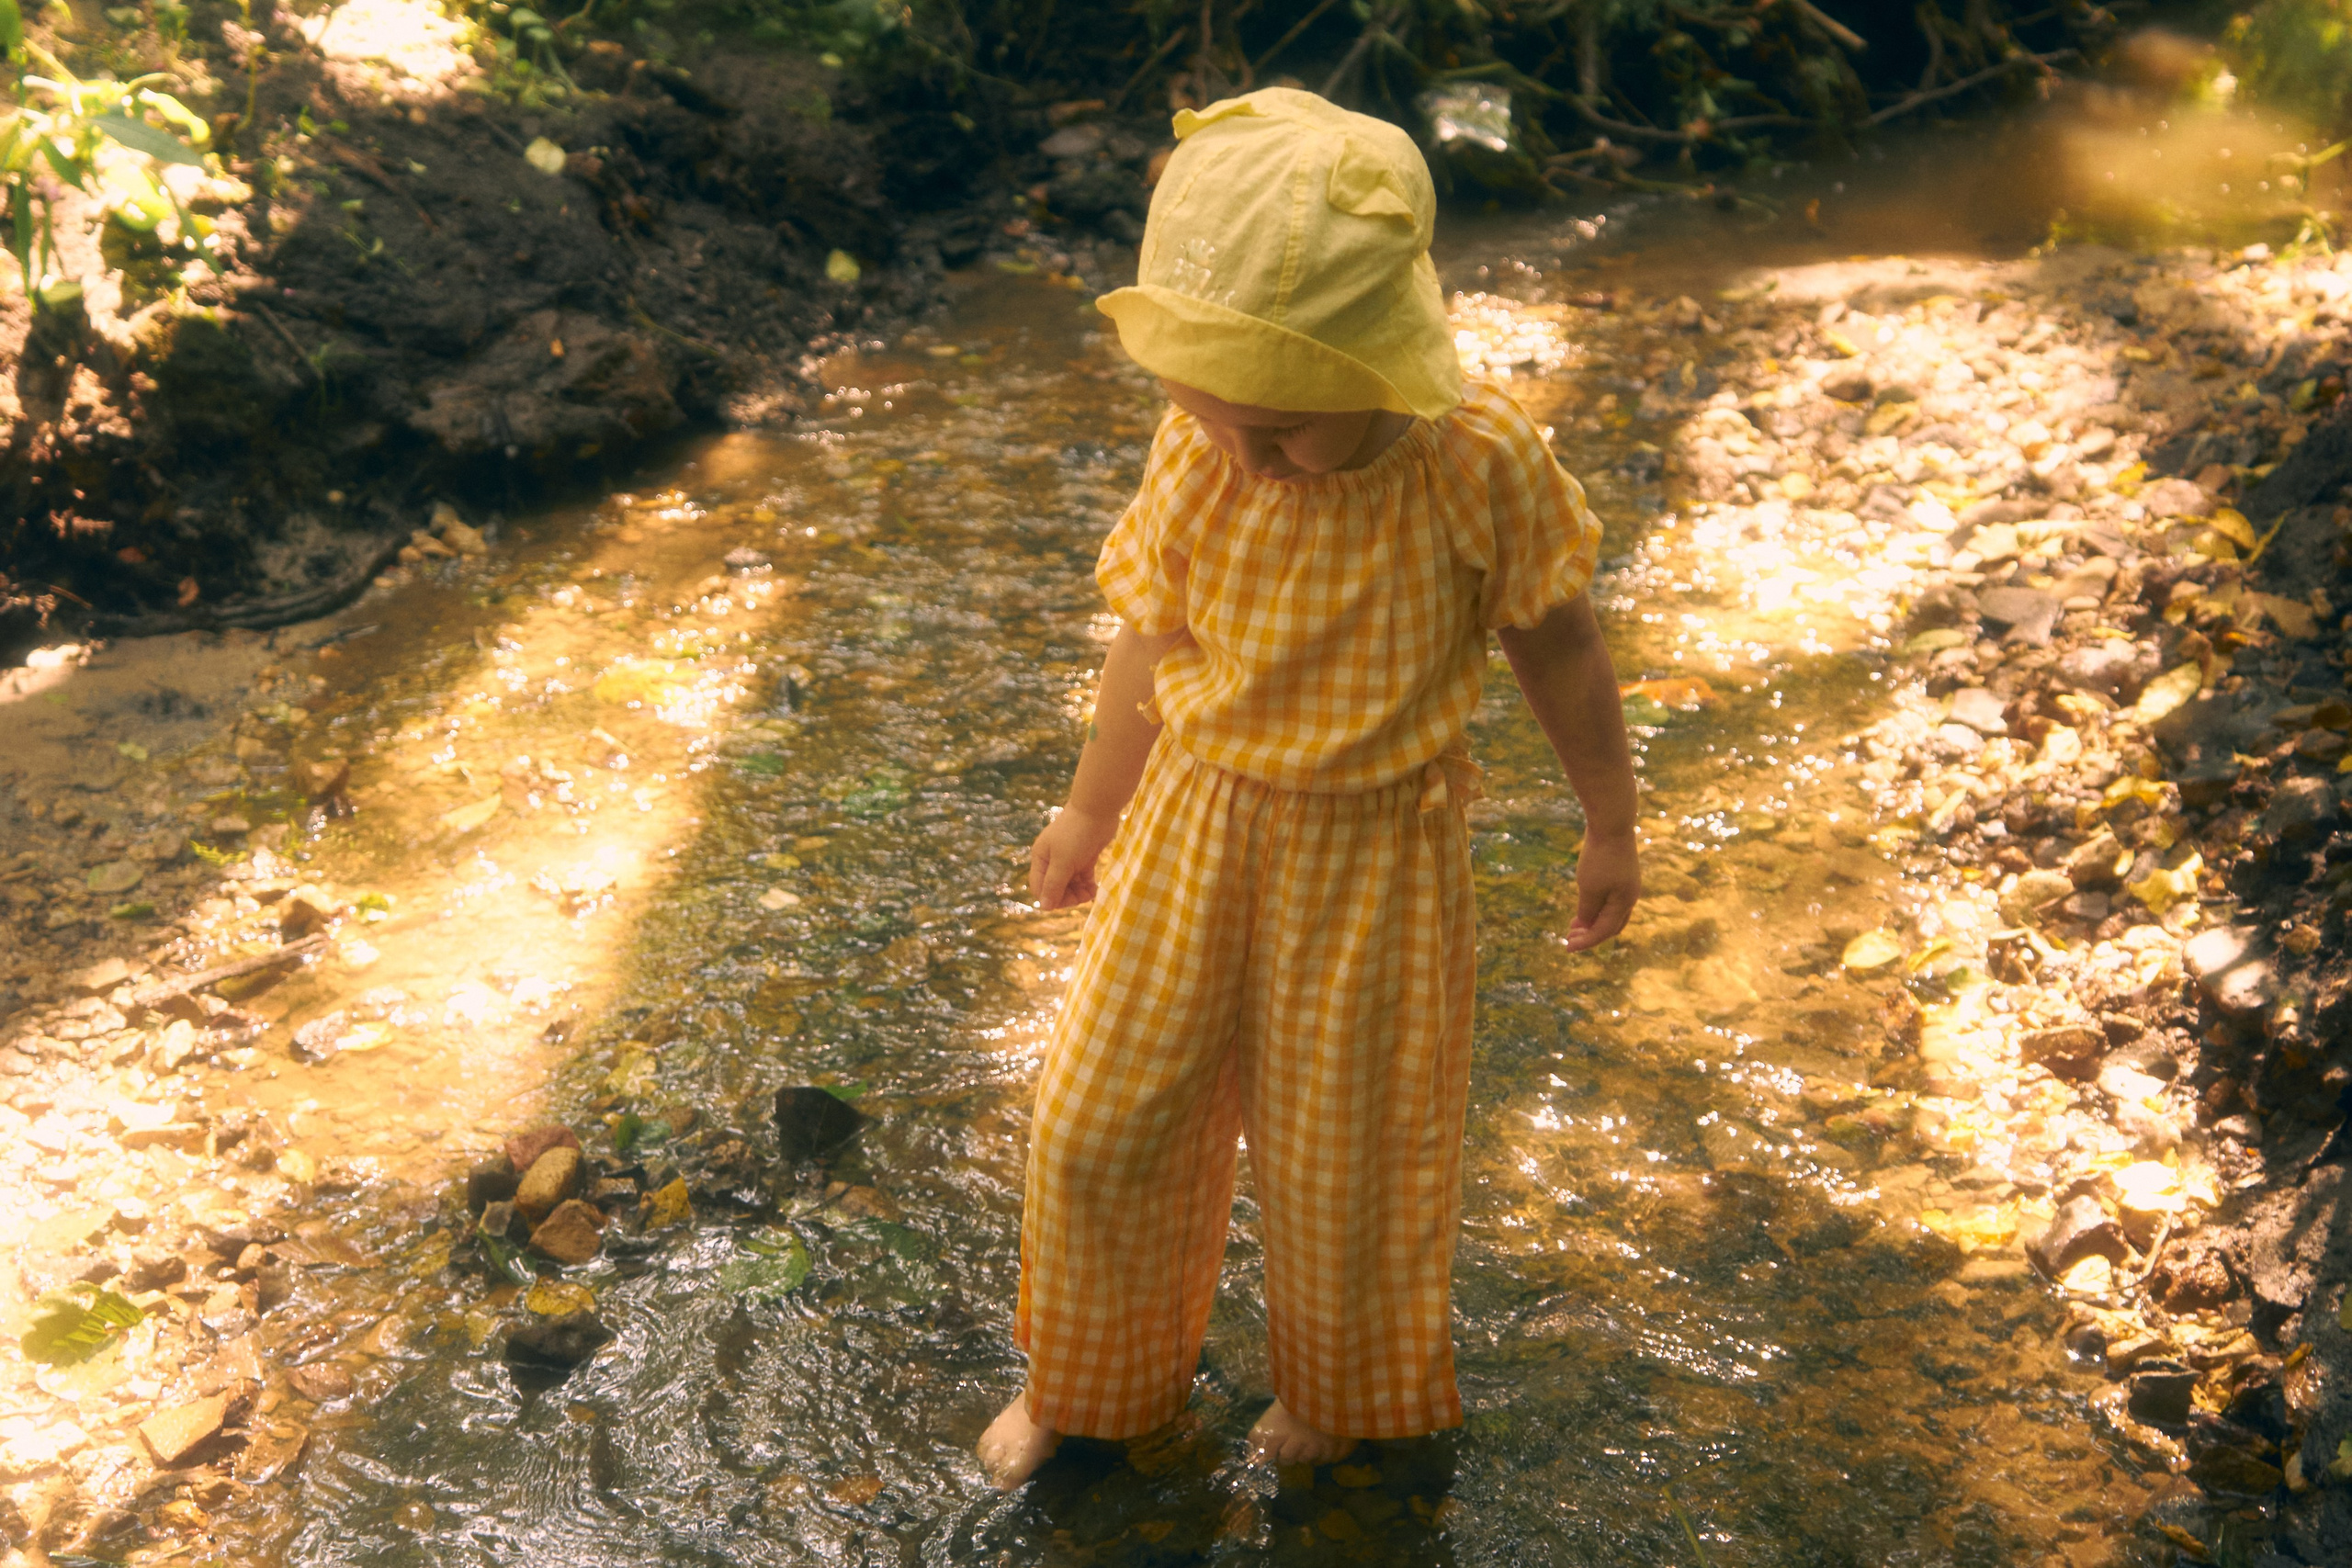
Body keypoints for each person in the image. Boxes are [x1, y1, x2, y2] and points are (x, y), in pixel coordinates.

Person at [978, 86, 1639, 1490]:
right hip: (1192, 814)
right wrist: (1091, 807)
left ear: (1383, 359)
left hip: (1375, 845)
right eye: (1209, 413)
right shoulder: (1206, 440)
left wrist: (1609, 819)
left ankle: (1336, 1394)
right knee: (1101, 1118)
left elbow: (1561, 643)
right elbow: (1152, 634)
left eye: (1282, 429)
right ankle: (1090, 1381)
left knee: (1346, 1154)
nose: (1243, 453)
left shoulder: (1476, 460)